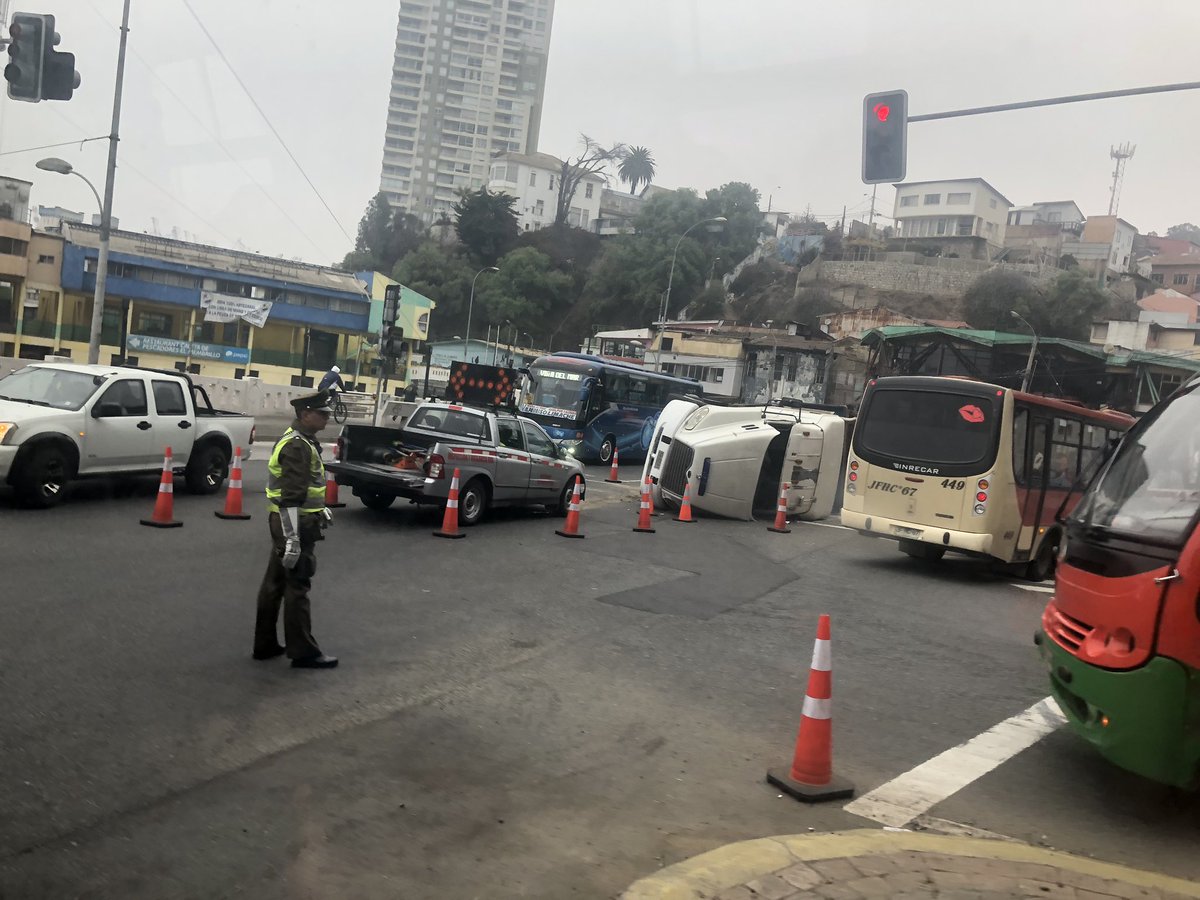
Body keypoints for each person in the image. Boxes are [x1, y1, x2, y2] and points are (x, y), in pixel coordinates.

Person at [253, 389, 338, 669]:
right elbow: (292, 495)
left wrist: (320, 506)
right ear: (305, 415)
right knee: (298, 585)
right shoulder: (298, 446)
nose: (327, 417)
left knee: (274, 583)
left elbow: (303, 489)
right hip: (295, 524)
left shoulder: (299, 440)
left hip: (287, 520)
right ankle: (303, 651)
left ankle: (264, 645)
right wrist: (292, 539)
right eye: (321, 413)